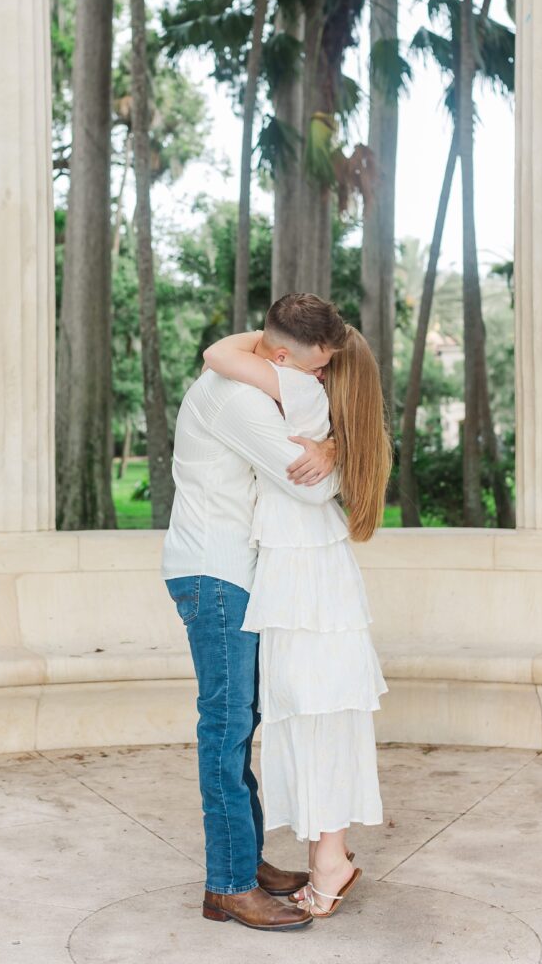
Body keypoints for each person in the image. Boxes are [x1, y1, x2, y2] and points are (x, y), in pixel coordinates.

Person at [161, 293, 348, 931]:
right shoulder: (240, 400)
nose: (320, 379)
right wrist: (331, 453)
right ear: (275, 356)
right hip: (217, 575)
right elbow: (314, 484)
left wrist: (325, 446)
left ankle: (250, 860)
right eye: (316, 368)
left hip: (230, 574)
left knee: (242, 721)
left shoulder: (246, 377)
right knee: (227, 727)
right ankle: (229, 885)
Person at [202, 321, 391, 918]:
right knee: (316, 713)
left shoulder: (298, 388)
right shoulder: (322, 402)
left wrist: (279, 335)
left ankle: (330, 860)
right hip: (303, 573)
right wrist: (340, 442)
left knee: (313, 713)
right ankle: (327, 854)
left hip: (301, 575)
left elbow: (218, 352)